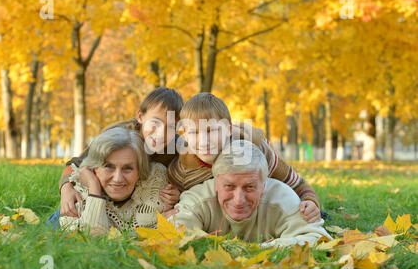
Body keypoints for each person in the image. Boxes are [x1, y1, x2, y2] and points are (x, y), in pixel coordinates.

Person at [167, 92, 322, 223]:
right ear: (185, 135)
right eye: (194, 132)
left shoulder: (257, 152)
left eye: (211, 131)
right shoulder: (182, 170)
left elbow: (298, 183)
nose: (203, 141)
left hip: (260, 216)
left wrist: (309, 201)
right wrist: (174, 200)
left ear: (228, 129)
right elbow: (182, 199)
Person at [168, 140, 332, 247]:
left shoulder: (282, 198)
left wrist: (260, 249)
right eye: (229, 186)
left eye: (249, 187)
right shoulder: (197, 199)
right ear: (216, 183)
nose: (239, 200)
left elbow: (317, 238)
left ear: (264, 185)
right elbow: (174, 234)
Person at [58, 87, 184, 218]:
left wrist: (178, 193)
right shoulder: (117, 137)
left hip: (139, 208)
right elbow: (75, 164)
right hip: (102, 199)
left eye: (171, 127)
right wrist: (66, 189)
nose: (161, 133)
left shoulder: (178, 148)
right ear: (140, 116)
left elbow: (192, 178)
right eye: (155, 122)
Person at [50, 127, 169, 233]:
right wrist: (94, 189)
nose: (118, 178)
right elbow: (92, 241)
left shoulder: (155, 181)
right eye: (108, 166)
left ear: (139, 171)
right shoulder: (79, 193)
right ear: (94, 168)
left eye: (128, 168)